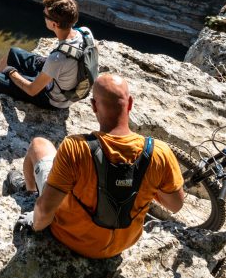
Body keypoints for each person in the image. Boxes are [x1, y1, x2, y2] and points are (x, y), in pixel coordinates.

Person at [19, 73, 185, 259]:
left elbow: (45, 210)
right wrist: (142, 183)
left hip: (72, 239)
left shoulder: (76, 147)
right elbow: (176, 205)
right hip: (122, 245)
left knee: (39, 145)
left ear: (93, 106)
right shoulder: (159, 152)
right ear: (130, 104)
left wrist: (35, 224)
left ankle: (30, 192)